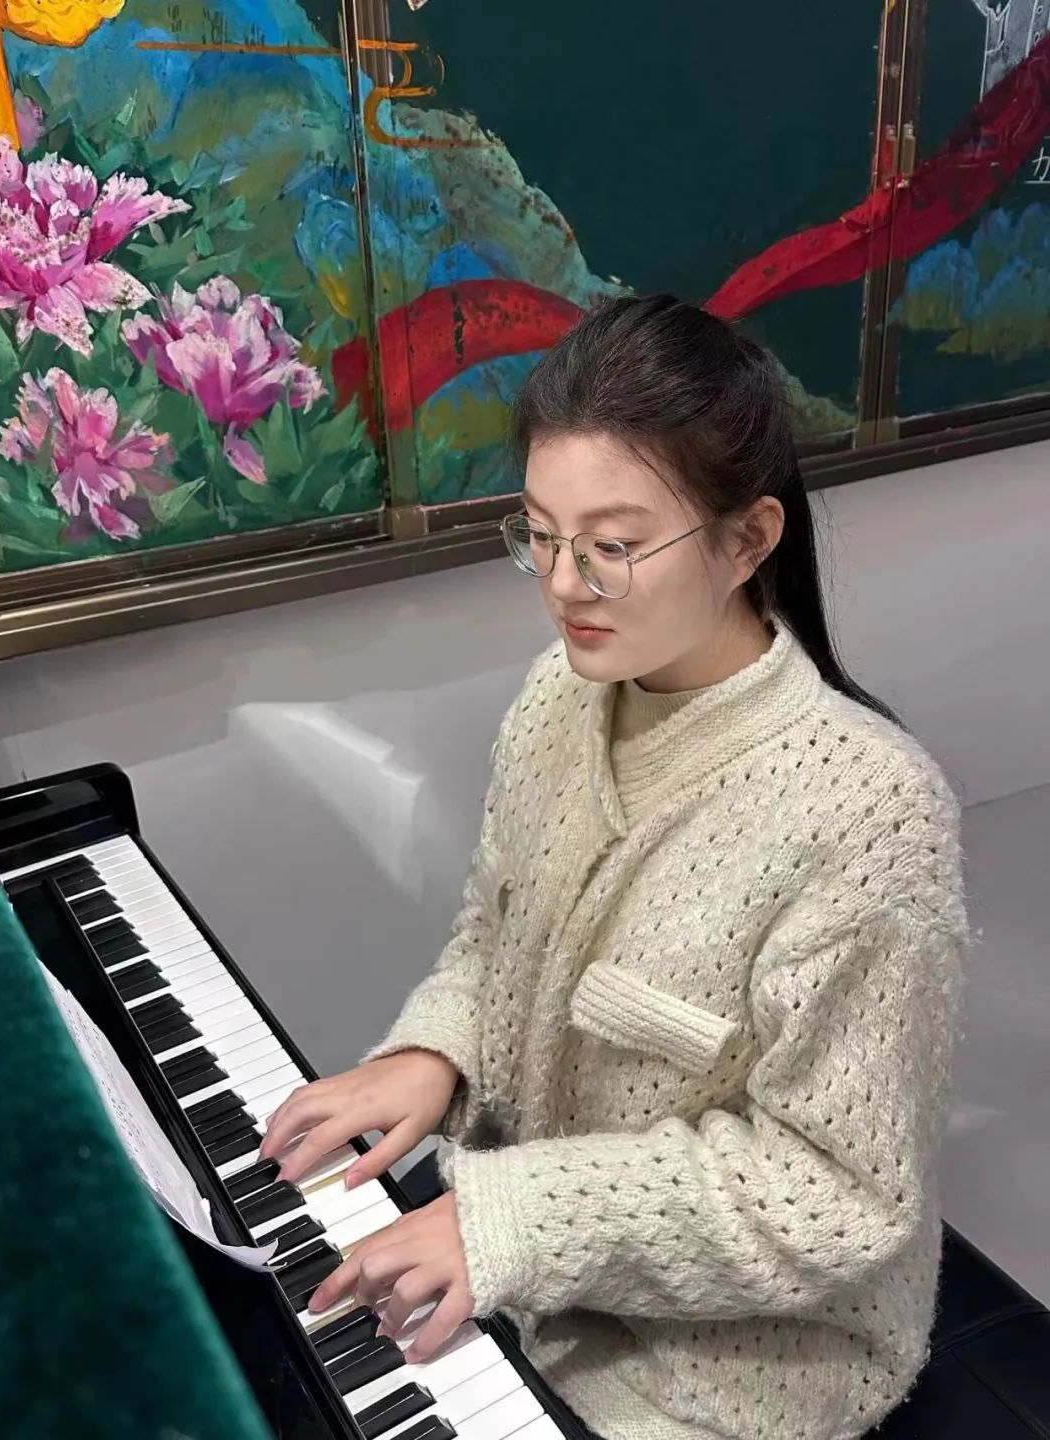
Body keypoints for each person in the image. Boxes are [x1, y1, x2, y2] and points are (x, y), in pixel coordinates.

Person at [259, 295, 967, 1440]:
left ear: (749, 540)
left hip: (737, 1359)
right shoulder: (560, 696)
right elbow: (495, 935)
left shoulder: (869, 814)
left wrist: (511, 1221)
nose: (561, 584)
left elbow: (836, 1190)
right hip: (528, 1271)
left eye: (613, 547)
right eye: (540, 534)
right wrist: (437, 1054)